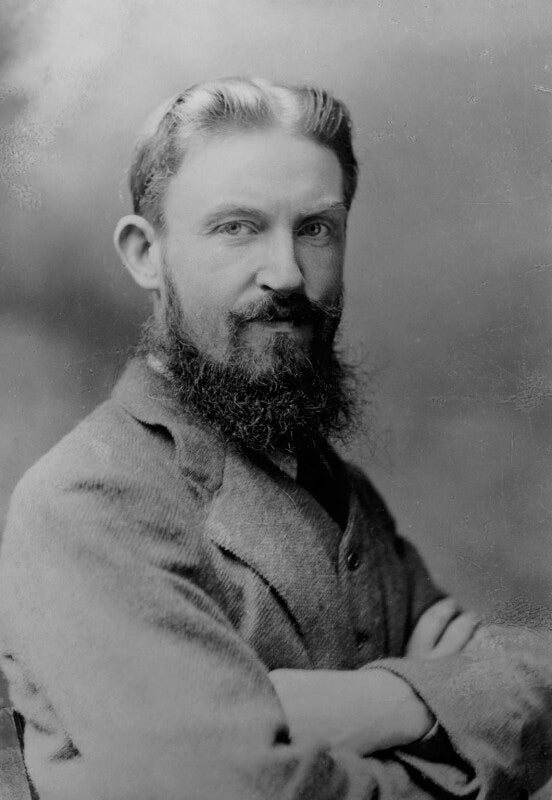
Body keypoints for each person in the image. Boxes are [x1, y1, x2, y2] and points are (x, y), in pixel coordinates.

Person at [0, 77, 551, 800]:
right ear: (144, 253)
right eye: (237, 227)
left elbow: (537, 677)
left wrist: (382, 701)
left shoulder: (336, 487)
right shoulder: (88, 503)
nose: (287, 274)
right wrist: (443, 709)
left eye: (316, 228)